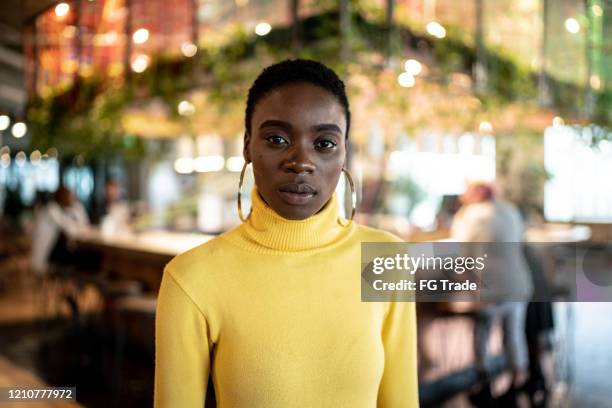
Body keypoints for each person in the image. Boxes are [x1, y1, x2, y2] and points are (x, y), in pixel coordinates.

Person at [154, 59, 419, 407]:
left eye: (324, 143)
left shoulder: (387, 260)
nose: (301, 161)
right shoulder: (191, 278)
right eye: (277, 139)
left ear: (344, 154)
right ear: (248, 146)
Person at [450, 182, 533, 402]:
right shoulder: (509, 210)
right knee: (514, 336)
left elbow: (462, 254)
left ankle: (484, 385)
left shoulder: (469, 216)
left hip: (490, 288)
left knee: (482, 334)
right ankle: (519, 383)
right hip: (518, 284)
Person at [31, 186, 90, 275]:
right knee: (39, 264)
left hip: (54, 242)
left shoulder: (70, 207)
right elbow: (66, 225)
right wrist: (80, 229)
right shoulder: (52, 208)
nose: (72, 198)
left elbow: (82, 222)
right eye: (70, 195)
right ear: (63, 196)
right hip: (46, 242)